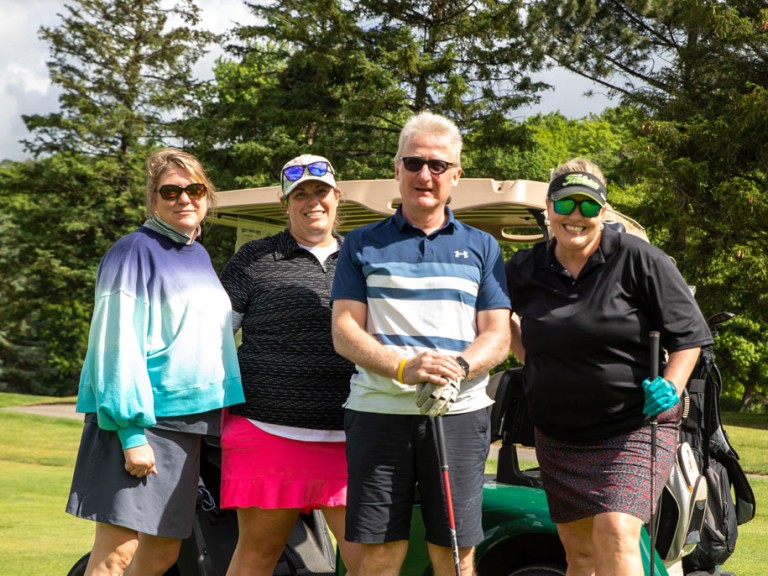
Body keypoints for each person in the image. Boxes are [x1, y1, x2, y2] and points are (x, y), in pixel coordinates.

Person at [505, 158, 713, 576]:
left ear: (604, 211)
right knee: (579, 554)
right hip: (559, 434)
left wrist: (671, 386)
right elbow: (494, 319)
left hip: (633, 426)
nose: (575, 216)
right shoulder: (524, 268)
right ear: (549, 209)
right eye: (565, 205)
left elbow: (690, 336)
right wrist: (533, 360)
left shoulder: (641, 260)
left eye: (587, 205)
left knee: (617, 532)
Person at [331, 112, 511, 576]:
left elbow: (497, 334)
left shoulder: (482, 246)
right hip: (378, 413)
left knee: (455, 554)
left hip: (459, 417)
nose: (424, 175)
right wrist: (401, 367)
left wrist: (457, 368)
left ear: (456, 175)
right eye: (413, 162)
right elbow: (345, 330)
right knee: (375, 557)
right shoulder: (361, 243)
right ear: (397, 169)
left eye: (437, 164)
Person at [66, 148, 244, 576]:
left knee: (163, 554)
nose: (185, 199)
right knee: (116, 555)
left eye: (194, 189)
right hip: (144, 424)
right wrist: (130, 434)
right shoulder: (133, 252)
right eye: (171, 191)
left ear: (207, 195)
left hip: (190, 428)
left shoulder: (196, 255)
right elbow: (115, 347)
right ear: (153, 199)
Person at [218, 154, 362, 576]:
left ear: (337, 197)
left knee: (367, 563)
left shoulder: (364, 257)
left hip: (350, 436)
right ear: (285, 203)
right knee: (258, 555)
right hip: (266, 432)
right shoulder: (254, 258)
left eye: (321, 191)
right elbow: (214, 337)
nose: (311, 201)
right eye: (300, 194)